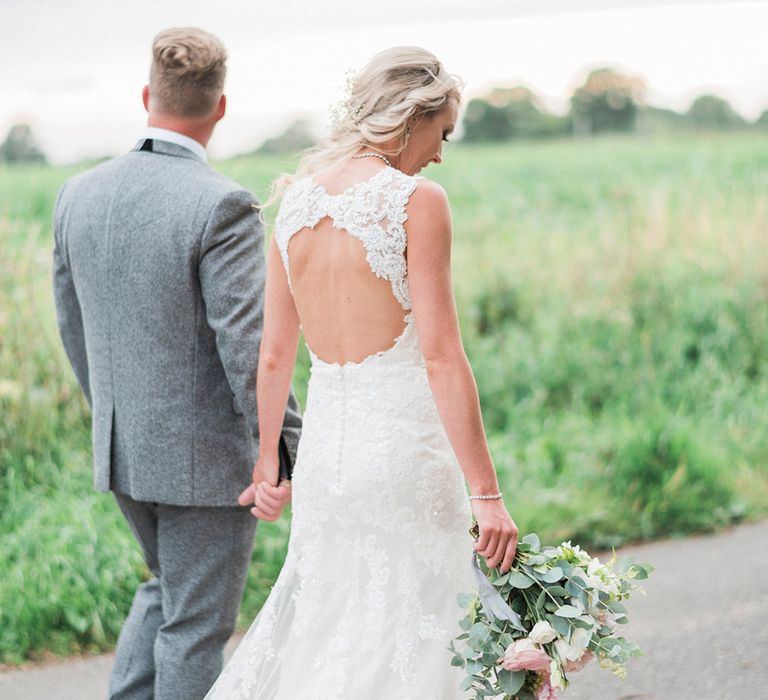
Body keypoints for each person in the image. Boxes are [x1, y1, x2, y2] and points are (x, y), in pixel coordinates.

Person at [205, 46, 518, 699]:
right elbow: (440, 356)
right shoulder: (417, 201)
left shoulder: (293, 204)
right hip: (405, 455)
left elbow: (272, 353)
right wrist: (486, 493)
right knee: (425, 632)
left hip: (326, 460)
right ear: (414, 117)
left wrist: (270, 461)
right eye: (443, 133)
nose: (439, 153)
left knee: (336, 626)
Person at [52, 27, 301, 700]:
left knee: (168, 590)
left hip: (121, 448)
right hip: (205, 463)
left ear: (146, 96)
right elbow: (249, 344)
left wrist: (112, 415)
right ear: (220, 107)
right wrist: (281, 450)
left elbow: (71, 326)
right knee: (195, 623)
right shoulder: (222, 203)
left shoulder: (77, 193)